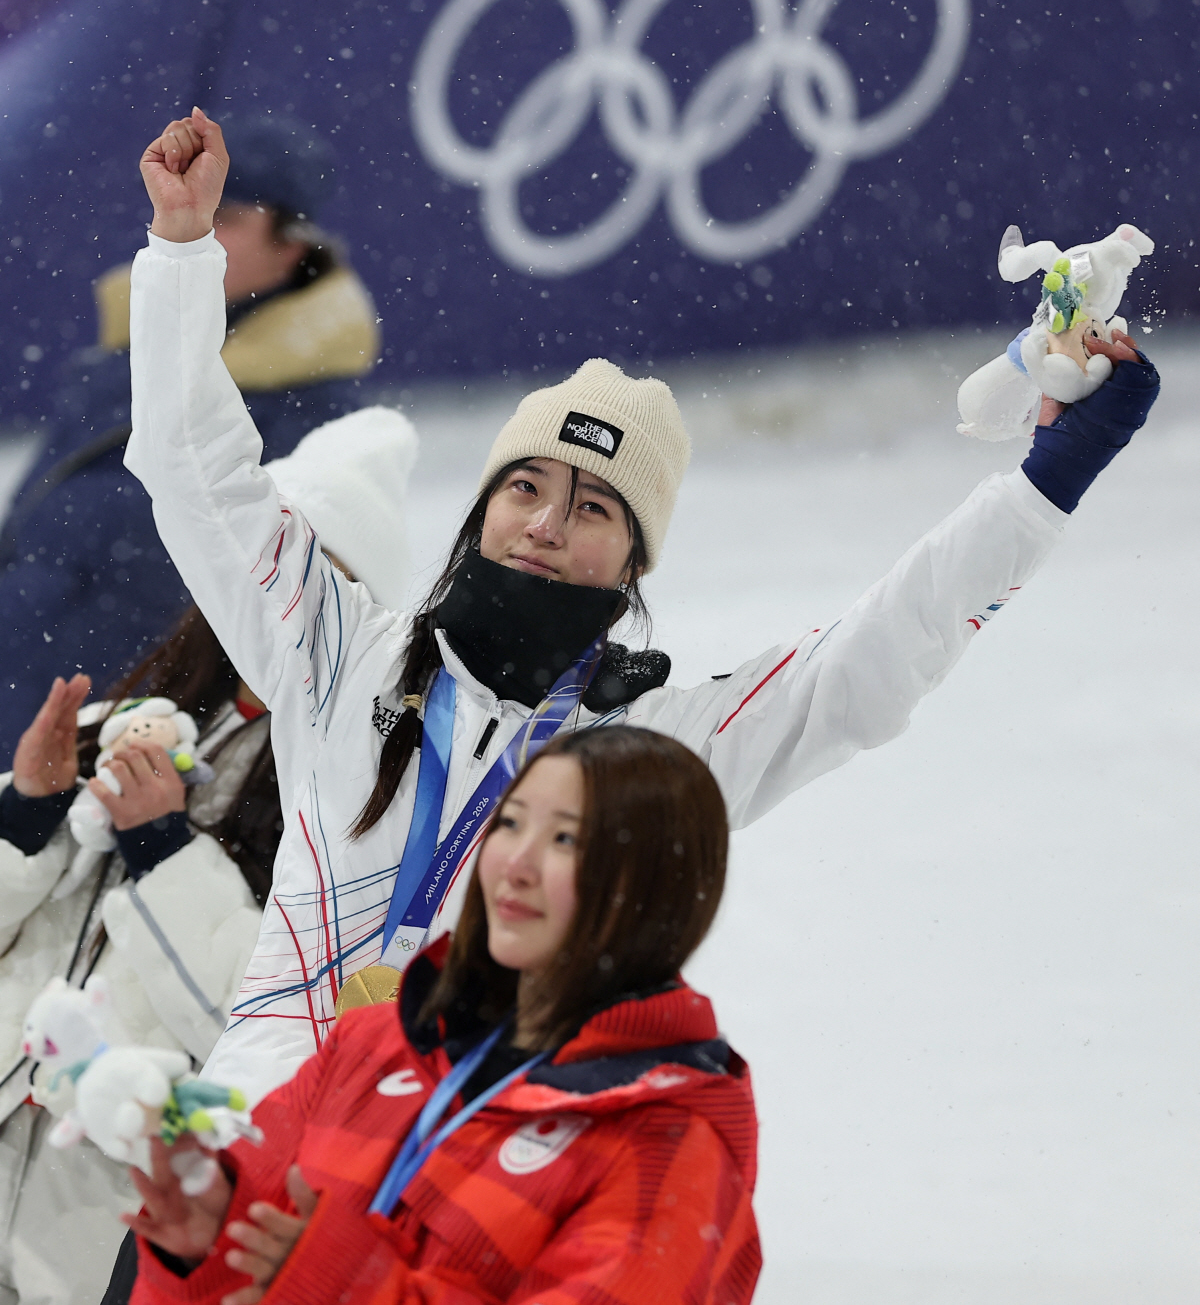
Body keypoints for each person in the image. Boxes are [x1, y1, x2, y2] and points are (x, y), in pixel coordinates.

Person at [129, 110, 1160, 1108]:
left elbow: (864, 664)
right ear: (483, 504)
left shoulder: (642, 752)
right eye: (525, 486)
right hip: (247, 1169)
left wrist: (1044, 483)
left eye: (592, 506)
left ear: (634, 561)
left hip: (442, 1210)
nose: (544, 521)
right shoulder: (340, 649)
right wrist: (182, 250)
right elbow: (195, 472)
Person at [0, 406, 417, 1305]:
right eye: (262, 555)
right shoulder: (122, 714)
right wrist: (25, 814)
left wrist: (158, 847)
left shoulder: (361, 798)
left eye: (317, 574)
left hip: (113, 1204)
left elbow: (261, 1025)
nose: (276, 590)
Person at [125, 727, 760, 1305]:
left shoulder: (667, 1150)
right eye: (510, 824)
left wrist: (340, 1282)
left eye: (566, 837)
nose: (515, 862)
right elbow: (252, 1260)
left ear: (655, 884)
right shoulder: (381, 1042)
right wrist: (208, 1242)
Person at [0, 113, 382, 765]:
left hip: (131, 737)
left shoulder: (319, 412)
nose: (204, 220)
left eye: (230, 213)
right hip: (23, 693)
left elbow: (284, 613)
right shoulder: (120, 358)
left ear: (292, 244)